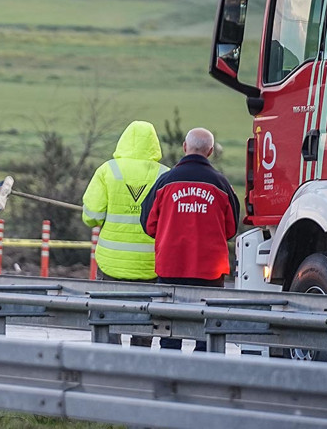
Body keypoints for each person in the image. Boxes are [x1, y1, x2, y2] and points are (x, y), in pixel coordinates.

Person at [140, 127, 240, 351]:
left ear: (185, 147)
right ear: (211, 151)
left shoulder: (164, 182)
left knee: (170, 333)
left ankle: (171, 380)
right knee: (206, 336)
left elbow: (148, 225)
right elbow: (231, 229)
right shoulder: (221, 185)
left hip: (170, 269)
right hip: (209, 272)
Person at [82, 120, 168, 347]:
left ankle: (110, 369)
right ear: (154, 144)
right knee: (144, 322)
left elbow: (91, 216)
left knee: (107, 320)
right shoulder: (165, 175)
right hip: (148, 266)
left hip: (111, 264)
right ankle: (137, 370)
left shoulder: (108, 170)